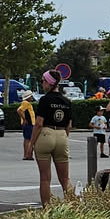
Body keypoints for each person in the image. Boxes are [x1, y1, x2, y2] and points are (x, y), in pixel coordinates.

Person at [31, 69, 75, 206]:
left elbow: (39, 123)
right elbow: (69, 125)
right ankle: (73, 207)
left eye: (43, 81)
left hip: (46, 134)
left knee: (45, 178)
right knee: (65, 178)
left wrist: (31, 144)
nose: (42, 84)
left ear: (49, 83)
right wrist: (63, 137)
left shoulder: (45, 100)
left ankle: (47, 207)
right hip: (61, 134)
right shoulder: (67, 101)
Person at [16, 91, 36, 160]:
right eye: (31, 96)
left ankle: (27, 155)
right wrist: (24, 119)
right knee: (29, 139)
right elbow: (19, 110)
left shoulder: (27, 103)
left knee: (28, 139)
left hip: (30, 124)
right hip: (29, 124)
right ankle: (28, 155)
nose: (32, 97)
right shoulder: (26, 103)